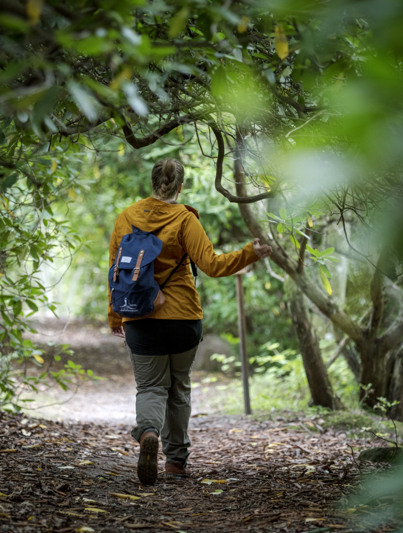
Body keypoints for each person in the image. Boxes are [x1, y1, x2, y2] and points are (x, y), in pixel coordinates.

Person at [107, 158, 272, 485]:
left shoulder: (126, 218)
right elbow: (212, 265)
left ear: (153, 182)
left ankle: (148, 433)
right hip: (183, 318)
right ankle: (177, 462)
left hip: (140, 316)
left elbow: (115, 270)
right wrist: (249, 253)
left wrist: (116, 316)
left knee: (151, 387)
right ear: (180, 186)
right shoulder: (185, 219)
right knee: (179, 388)